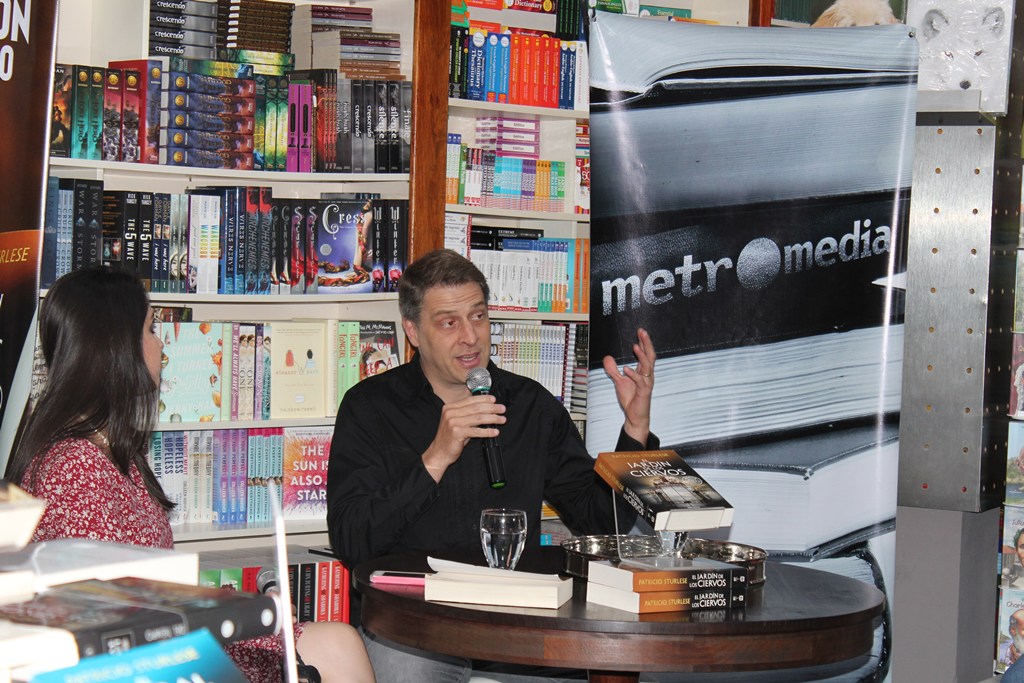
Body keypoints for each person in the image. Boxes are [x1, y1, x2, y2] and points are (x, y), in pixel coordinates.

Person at [6, 265, 375, 683]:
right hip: (150, 658)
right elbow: (117, 616)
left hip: (168, 635)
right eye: (150, 328)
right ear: (117, 346)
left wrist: (249, 607)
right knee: (338, 648)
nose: (160, 343)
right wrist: (251, 618)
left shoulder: (109, 450)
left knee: (339, 643)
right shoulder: (76, 468)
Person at [326, 248, 658, 680]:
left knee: (616, 661)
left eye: (478, 317)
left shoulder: (530, 405)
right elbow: (352, 542)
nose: (470, 337)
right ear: (413, 330)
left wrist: (634, 430)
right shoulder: (370, 407)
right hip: (416, 626)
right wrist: (436, 456)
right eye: (449, 322)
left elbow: (601, 521)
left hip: (519, 624)